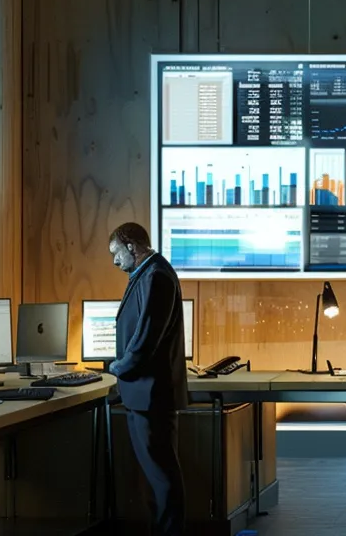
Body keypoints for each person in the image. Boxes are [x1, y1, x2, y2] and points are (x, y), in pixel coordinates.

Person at [107, 222, 188, 536]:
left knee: (162, 477)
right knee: (157, 478)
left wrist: (119, 367)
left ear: (131, 245)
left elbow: (145, 339)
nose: (114, 262)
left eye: (116, 253)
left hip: (150, 394)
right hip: (142, 394)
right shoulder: (147, 274)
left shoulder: (155, 276)